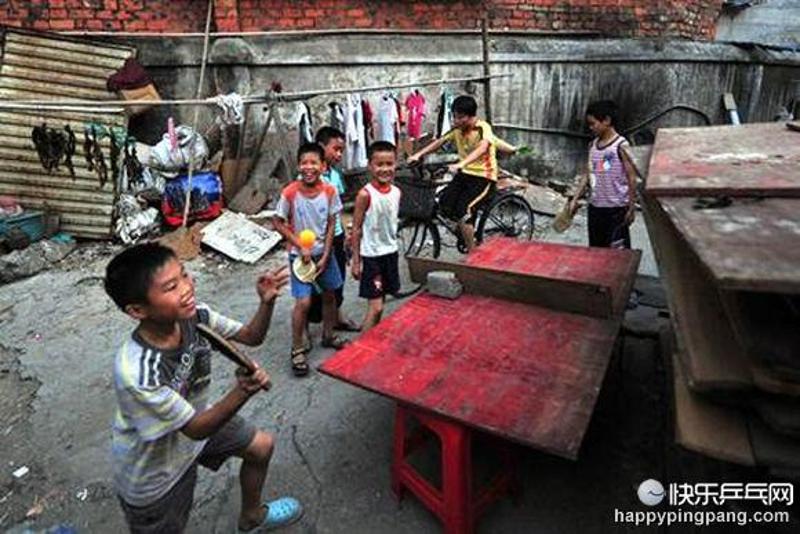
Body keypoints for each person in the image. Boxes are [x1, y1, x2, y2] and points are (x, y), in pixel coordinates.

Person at [104, 242, 302, 534]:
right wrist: (243, 390)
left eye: (184, 275)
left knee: (261, 447)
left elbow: (251, 336)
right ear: (137, 310)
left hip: (197, 423)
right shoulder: (137, 371)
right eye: (171, 286)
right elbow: (195, 428)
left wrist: (266, 302)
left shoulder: (197, 318)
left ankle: (251, 518)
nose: (187, 287)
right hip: (157, 472)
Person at [273, 143, 350, 377]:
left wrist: (326, 254)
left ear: (323, 166)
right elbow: (277, 222)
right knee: (303, 302)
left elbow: (330, 224)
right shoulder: (290, 193)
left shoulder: (330, 192)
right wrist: (299, 245)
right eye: (304, 162)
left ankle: (327, 335)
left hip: (323, 254)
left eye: (314, 163)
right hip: (300, 257)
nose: (309, 167)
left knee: (330, 295)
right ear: (298, 165)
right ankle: (297, 348)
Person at [407, 95, 512, 252]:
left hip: (484, 177)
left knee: (464, 211)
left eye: (460, 117)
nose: (456, 121)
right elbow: (439, 142)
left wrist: (461, 163)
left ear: (471, 117)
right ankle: (465, 231)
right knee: (444, 203)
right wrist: (418, 154)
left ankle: (472, 254)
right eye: (454, 116)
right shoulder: (457, 129)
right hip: (465, 175)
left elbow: (483, 147)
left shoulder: (482, 128)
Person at [306, 127, 361, 335]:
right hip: (316, 240)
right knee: (311, 284)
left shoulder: (335, 176)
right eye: (335, 149)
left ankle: (336, 318)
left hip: (336, 236)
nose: (339, 154)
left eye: (342, 151)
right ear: (321, 147)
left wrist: (346, 234)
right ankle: (304, 329)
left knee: (337, 281)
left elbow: (339, 208)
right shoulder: (308, 176)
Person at [569, 100, 637, 249]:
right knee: (597, 251)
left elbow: (632, 178)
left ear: (606, 120)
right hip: (595, 208)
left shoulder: (621, 145)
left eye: (593, 123)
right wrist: (575, 198)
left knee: (618, 253)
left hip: (616, 209)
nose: (591, 127)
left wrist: (631, 207)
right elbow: (588, 173)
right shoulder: (592, 146)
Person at [351, 141, 402, 331]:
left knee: (381, 305)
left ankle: (370, 341)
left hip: (390, 253)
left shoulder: (397, 192)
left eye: (389, 164)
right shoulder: (365, 195)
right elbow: (356, 228)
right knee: (376, 307)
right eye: (379, 164)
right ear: (370, 166)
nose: (385, 169)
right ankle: (361, 352)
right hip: (371, 257)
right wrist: (356, 261)